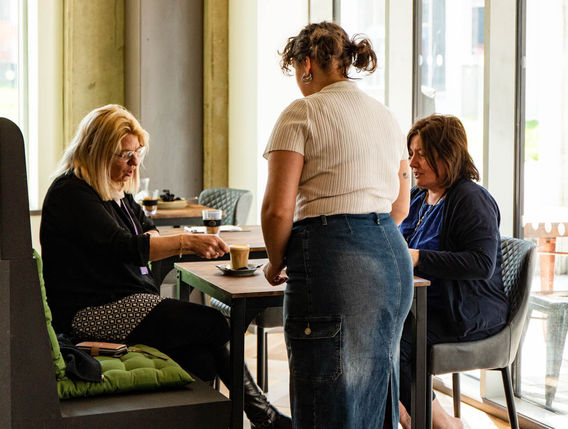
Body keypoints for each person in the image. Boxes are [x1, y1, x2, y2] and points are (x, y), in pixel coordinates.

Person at [40, 104, 291, 429]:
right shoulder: (72, 193)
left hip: (129, 302)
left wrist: (158, 240)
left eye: (137, 153)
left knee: (202, 358)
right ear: (95, 150)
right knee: (215, 324)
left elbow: (147, 229)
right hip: (90, 313)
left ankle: (258, 417)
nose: (134, 164)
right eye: (123, 155)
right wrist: (185, 241)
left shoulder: (115, 191)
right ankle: (265, 416)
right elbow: (126, 247)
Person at [261, 22, 414, 429]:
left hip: (333, 258)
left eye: (297, 71)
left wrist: (275, 262)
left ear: (306, 64)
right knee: (374, 386)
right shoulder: (385, 117)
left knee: (324, 390)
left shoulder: (302, 112)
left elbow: (277, 209)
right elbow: (401, 206)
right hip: (391, 258)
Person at [398, 114, 507, 429]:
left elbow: (481, 264)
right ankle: (408, 415)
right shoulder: (419, 196)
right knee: (373, 327)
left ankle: (443, 423)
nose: (412, 162)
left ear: (446, 155)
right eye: (411, 153)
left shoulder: (471, 199)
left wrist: (419, 258)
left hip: (466, 312)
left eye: (420, 154)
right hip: (426, 306)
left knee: (393, 339)